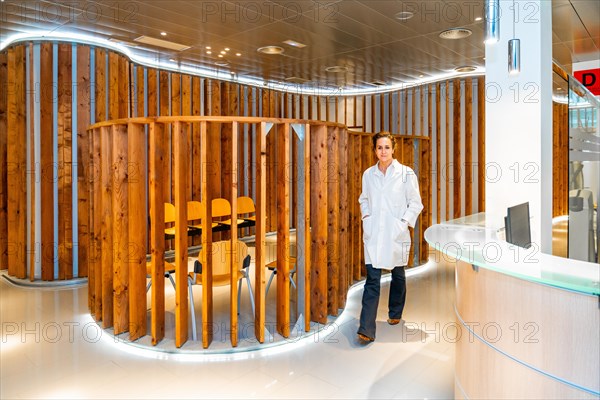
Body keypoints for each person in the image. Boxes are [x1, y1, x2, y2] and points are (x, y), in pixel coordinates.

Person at [357, 131, 423, 343]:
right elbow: (363, 199)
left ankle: (395, 312)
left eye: (386, 147)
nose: (383, 151)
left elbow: (416, 203)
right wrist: (366, 216)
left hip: (396, 232)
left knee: (398, 273)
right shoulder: (368, 174)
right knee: (372, 278)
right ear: (374, 150)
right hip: (374, 232)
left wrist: (403, 223)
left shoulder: (406, 173)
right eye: (379, 148)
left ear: (393, 149)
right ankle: (366, 328)